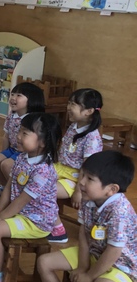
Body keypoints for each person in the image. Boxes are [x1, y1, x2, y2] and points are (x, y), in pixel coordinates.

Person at [37, 151, 137, 282]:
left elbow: (114, 251)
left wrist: (90, 276)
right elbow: (83, 233)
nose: (81, 182)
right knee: (44, 262)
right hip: (95, 252)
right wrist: (83, 267)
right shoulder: (89, 198)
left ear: (111, 189)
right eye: (82, 175)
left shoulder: (120, 211)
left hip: (121, 265)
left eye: (89, 178)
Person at [0, 113, 62, 282]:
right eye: (19, 131)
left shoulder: (43, 170)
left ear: (42, 142)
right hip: (19, 210)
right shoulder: (22, 157)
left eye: (25, 133)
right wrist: (0, 213)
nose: (18, 136)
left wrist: (0, 217)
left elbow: (22, 200)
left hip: (35, 220)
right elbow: (8, 187)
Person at [49, 88, 104, 243]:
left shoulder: (92, 137)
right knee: (32, 178)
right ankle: (38, 216)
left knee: (43, 190)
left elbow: (88, 168)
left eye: (73, 104)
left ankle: (58, 230)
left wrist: (79, 191)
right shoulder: (74, 126)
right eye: (69, 103)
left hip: (75, 178)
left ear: (89, 111)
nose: (68, 107)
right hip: (60, 169)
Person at [0, 82, 45, 197]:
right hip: (12, 149)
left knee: (6, 165)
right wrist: (3, 153)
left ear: (32, 99)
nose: (13, 98)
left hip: (25, 153)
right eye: (12, 94)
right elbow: (6, 136)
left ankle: (17, 192)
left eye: (19, 95)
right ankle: (4, 188)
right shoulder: (12, 115)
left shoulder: (33, 119)